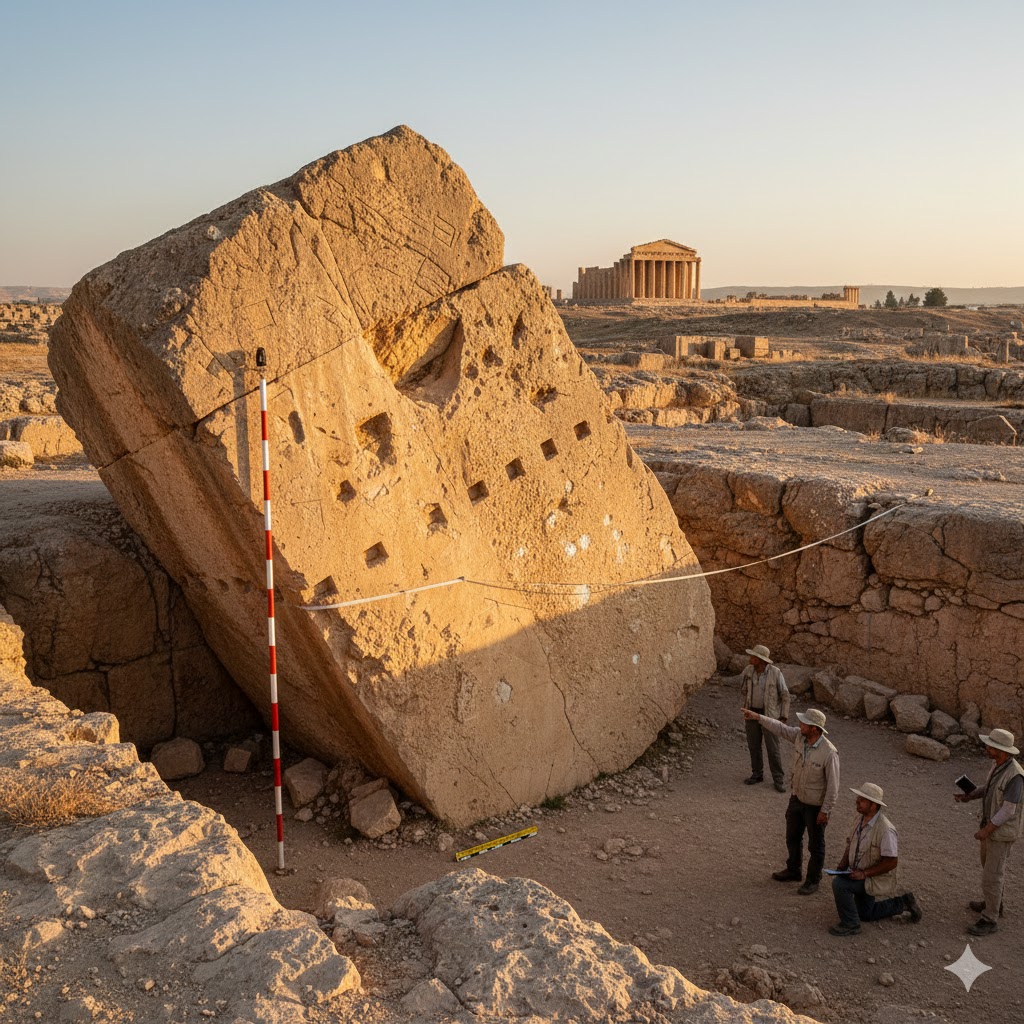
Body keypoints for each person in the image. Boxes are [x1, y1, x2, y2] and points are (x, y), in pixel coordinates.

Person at [741, 705, 838, 895]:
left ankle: (813, 879)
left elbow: (833, 786)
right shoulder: (800, 737)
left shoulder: (829, 753)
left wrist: (825, 810)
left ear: (815, 729)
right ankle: (794, 870)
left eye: (805, 723)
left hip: (815, 805)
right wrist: (758, 717)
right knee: (793, 837)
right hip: (797, 799)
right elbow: (780, 728)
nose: (800, 725)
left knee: (815, 845)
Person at [827, 782, 923, 936]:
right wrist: (843, 863)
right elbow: (850, 842)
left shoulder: (886, 829)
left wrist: (864, 874)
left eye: (862, 800)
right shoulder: (859, 818)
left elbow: (891, 862)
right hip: (859, 873)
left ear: (873, 805)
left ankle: (850, 924)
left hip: (872, 877)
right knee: (866, 913)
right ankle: (904, 902)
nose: (857, 801)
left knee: (840, 885)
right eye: (858, 798)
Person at [954, 727, 1024, 936]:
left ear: (1000, 750)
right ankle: (994, 903)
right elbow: (991, 789)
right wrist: (970, 795)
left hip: (1000, 833)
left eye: (990, 745)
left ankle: (990, 918)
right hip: (993, 829)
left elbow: (1009, 810)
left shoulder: (1016, 776)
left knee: (992, 874)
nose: (987, 748)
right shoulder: (998, 765)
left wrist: (986, 830)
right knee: (989, 869)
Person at [739, 644, 790, 792]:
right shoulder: (749, 671)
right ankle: (757, 774)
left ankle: (778, 779)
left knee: (773, 749)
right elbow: (742, 686)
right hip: (751, 713)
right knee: (753, 746)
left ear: (760, 660)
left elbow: (785, 695)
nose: (750, 658)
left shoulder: (775, 673)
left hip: (769, 716)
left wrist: (783, 716)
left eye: (753, 657)